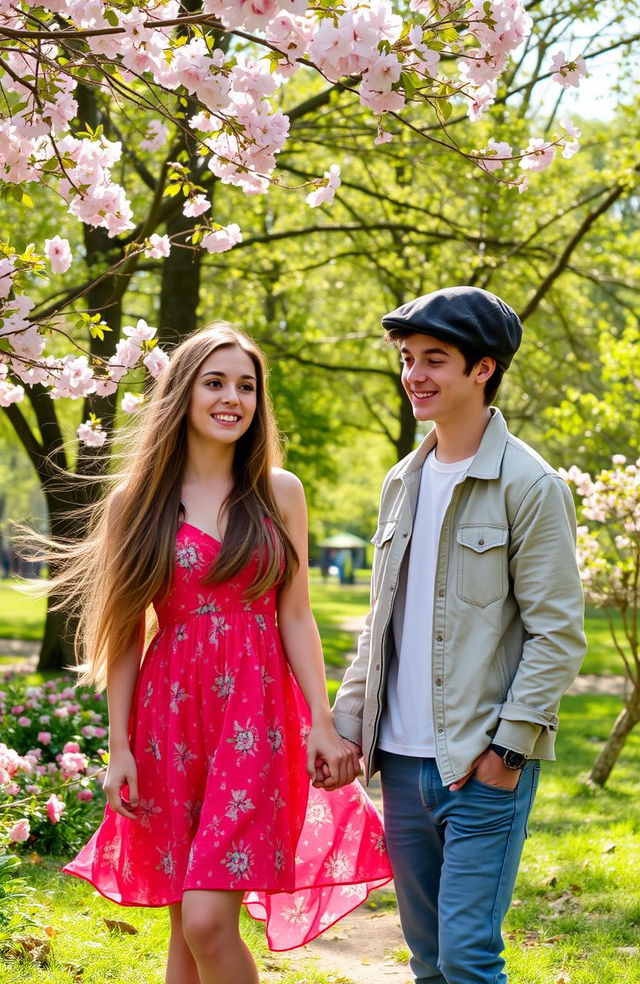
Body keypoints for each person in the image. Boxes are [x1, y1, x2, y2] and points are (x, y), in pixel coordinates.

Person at [57, 324, 390, 983]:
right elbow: (124, 634)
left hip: (257, 719)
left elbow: (294, 614)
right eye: (215, 382)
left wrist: (320, 725)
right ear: (182, 393)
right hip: (169, 721)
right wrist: (119, 746)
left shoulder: (279, 491)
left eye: (246, 385)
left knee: (209, 921)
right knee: (185, 925)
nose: (232, 397)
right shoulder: (137, 504)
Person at [331, 286, 586, 984]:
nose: (414, 374)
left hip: (480, 765)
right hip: (401, 764)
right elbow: (378, 623)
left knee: (469, 957)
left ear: (483, 369)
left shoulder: (529, 486)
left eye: (434, 359)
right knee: (429, 962)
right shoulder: (400, 482)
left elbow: (558, 635)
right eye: (408, 358)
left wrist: (507, 751)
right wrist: (348, 724)